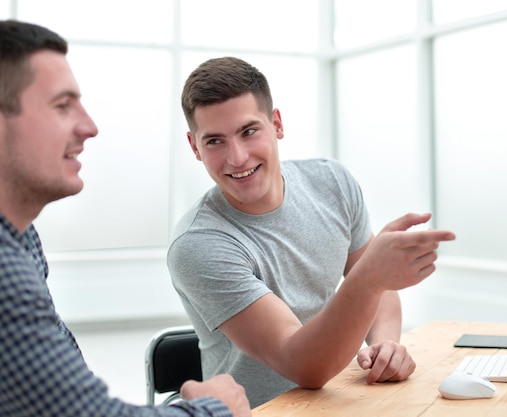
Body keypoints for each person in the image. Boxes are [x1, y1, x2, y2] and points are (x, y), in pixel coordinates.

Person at [167, 56, 456, 408]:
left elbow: (378, 289)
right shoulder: (198, 245)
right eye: (215, 141)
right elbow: (303, 366)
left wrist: (385, 344)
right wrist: (369, 279)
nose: (238, 157)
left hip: (343, 400)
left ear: (276, 124)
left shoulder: (332, 183)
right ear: (195, 147)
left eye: (249, 131)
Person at [0, 20, 251, 417]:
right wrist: (211, 411)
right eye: (62, 106)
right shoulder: (4, 272)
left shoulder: (21, 238)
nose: (90, 127)